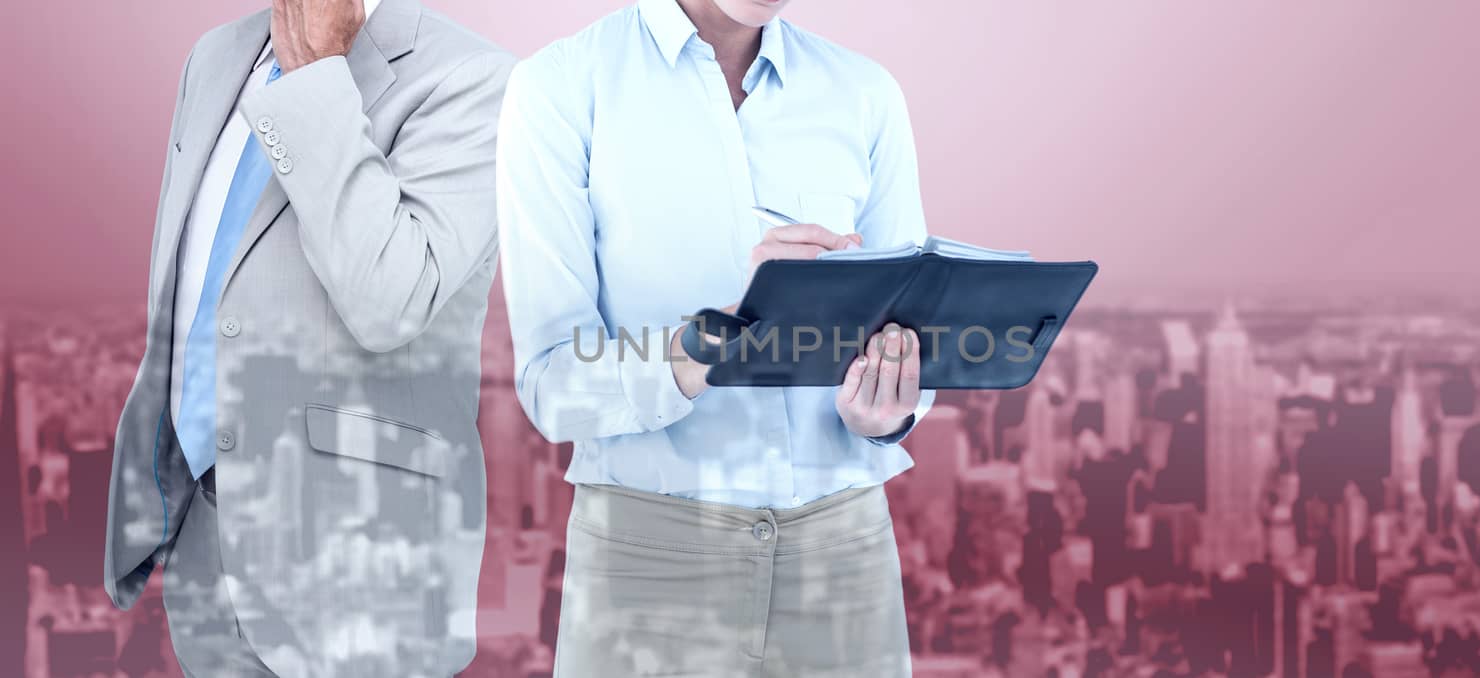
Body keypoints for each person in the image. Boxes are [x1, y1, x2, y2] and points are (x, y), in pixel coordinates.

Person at [498, 0, 934, 675]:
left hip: (846, 563)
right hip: (647, 567)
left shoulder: (865, 94)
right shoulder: (560, 87)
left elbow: (908, 329)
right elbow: (553, 384)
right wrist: (730, 334)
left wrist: (884, 409)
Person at [102, 0, 511, 675]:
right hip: (206, 546)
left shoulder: (475, 79)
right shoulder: (215, 56)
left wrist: (318, 74)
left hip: (368, 574)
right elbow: (196, 292)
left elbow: (390, 300)